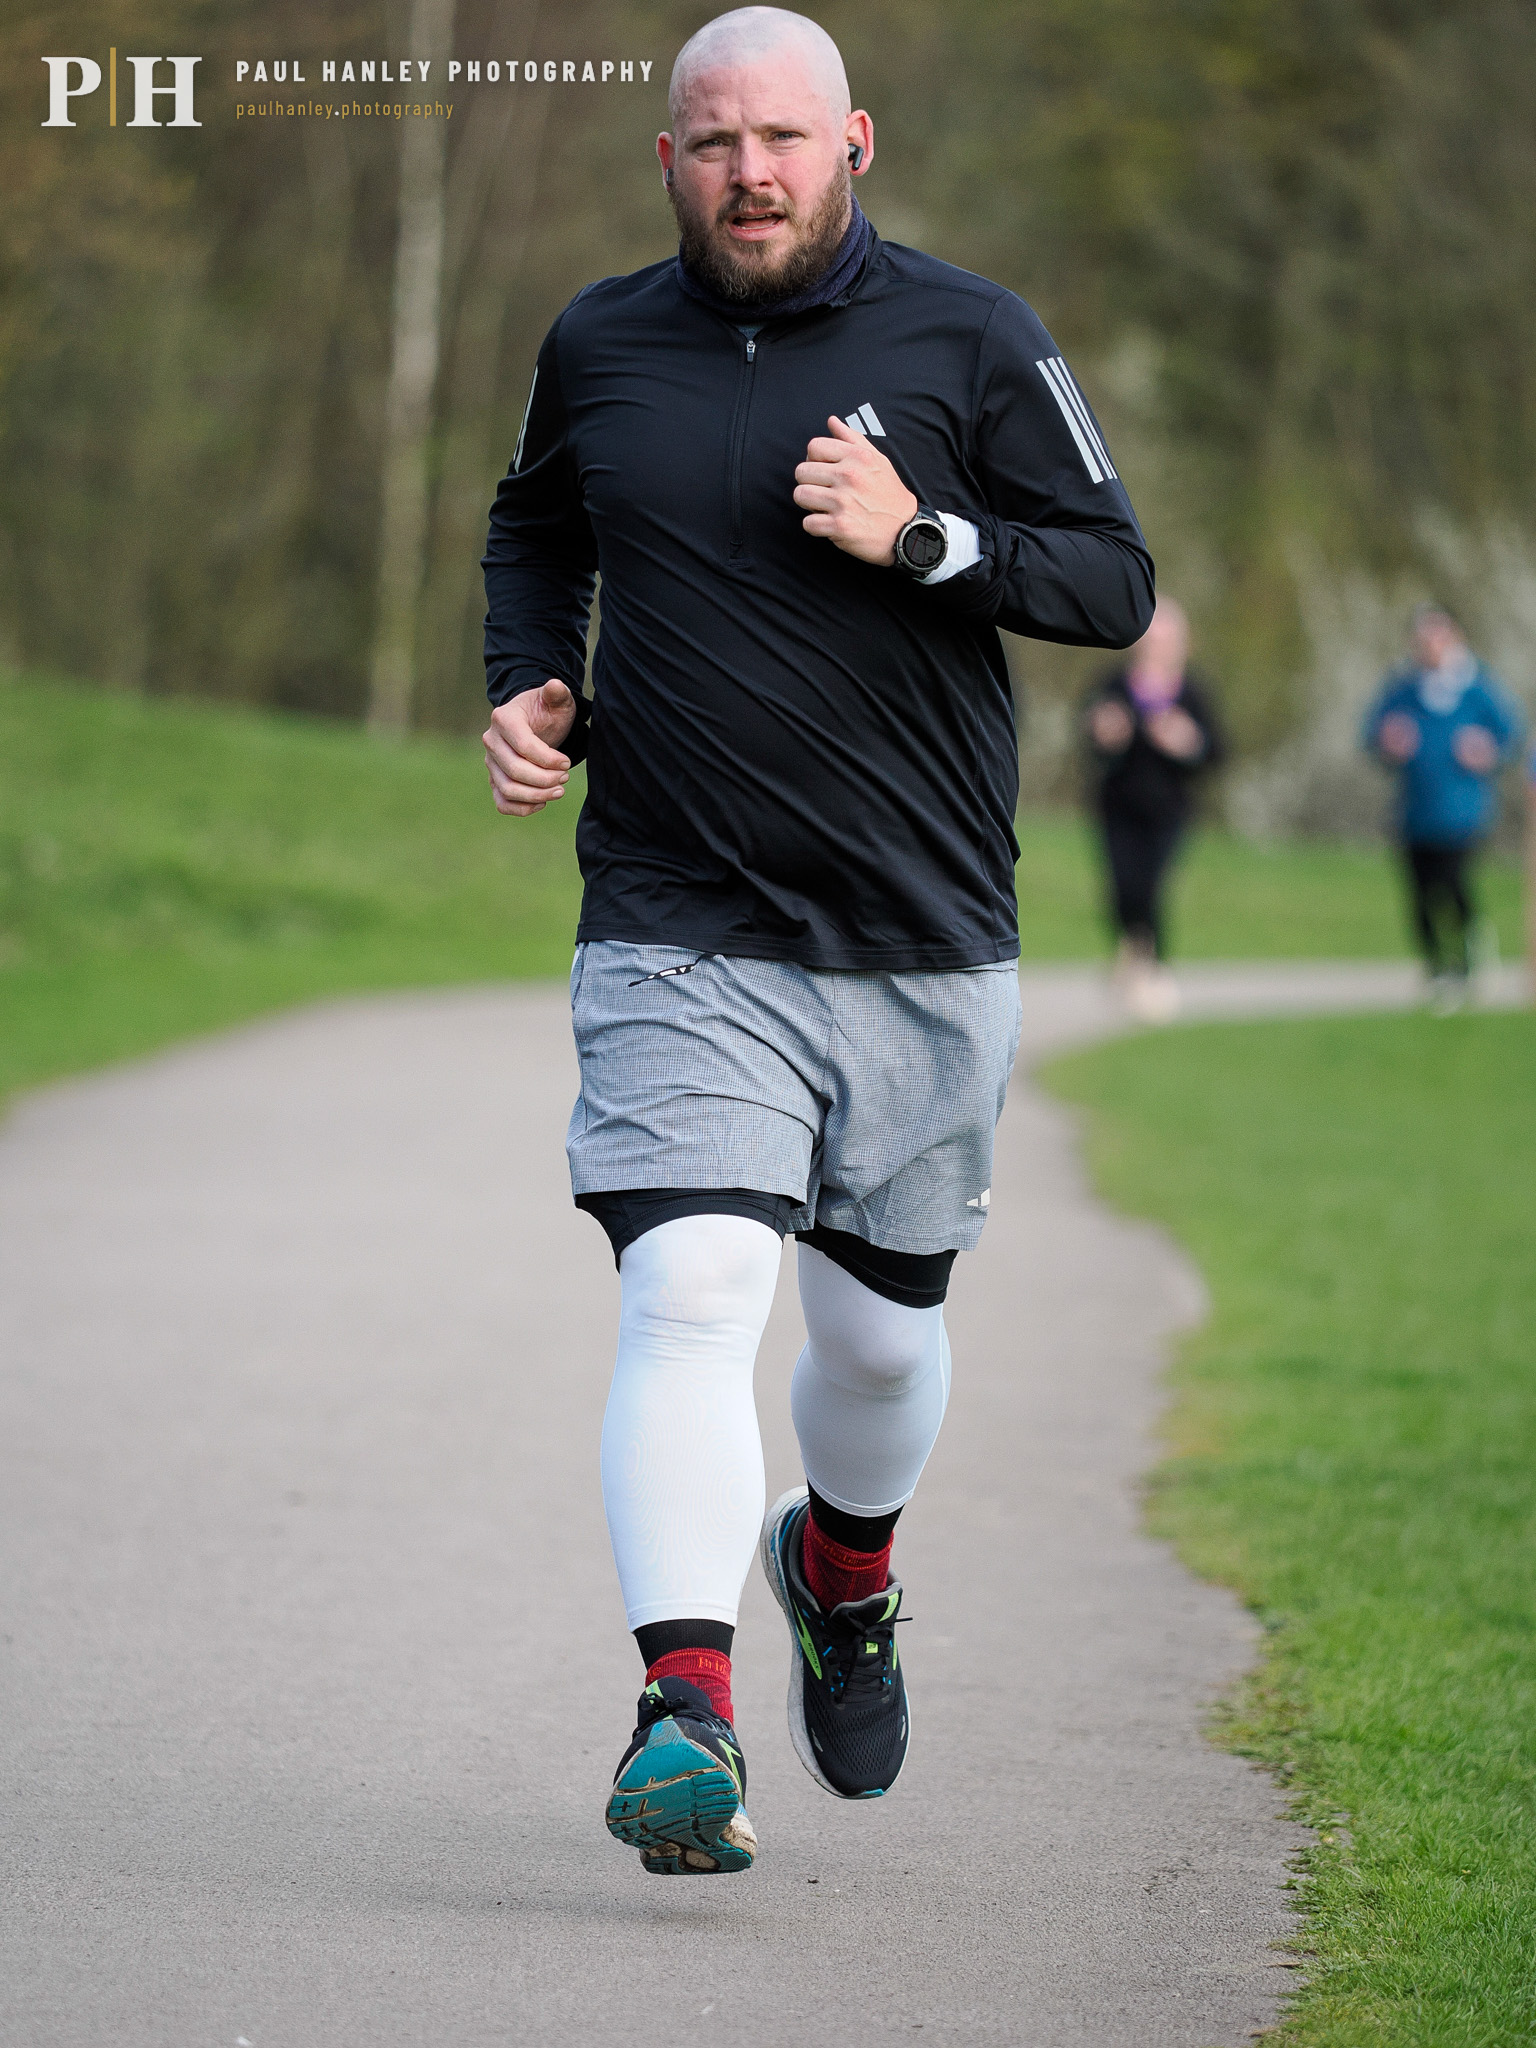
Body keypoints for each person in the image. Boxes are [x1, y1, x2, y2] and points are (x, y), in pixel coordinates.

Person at [480, 6, 1153, 1877]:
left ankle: (839, 1568)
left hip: (923, 936)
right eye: (713, 143)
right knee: (690, 1292)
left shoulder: (975, 334)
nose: (749, 173)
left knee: (870, 1347)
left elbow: (1111, 575)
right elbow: (533, 527)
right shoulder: (598, 338)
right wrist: (529, 683)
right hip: (680, 926)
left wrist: (926, 536)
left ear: (855, 140)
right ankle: (682, 1710)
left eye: (782, 138)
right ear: (669, 158)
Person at [1362, 605, 1522, 1009]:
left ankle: (1470, 956)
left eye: (1437, 637)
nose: (1429, 647)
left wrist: (1487, 750)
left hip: (1463, 810)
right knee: (1419, 892)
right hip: (1416, 811)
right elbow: (1371, 732)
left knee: (1454, 881)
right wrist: (1388, 742)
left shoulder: (1475, 688)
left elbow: (1510, 732)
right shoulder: (1404, 689)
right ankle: (1437, 967)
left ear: (1454, 639)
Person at [1082, 597, 1224, 1020]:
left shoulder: (1193, 693)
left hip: (1169, 811)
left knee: (1152, 886)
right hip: (1117, 807)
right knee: (1121, 887)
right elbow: (1089, 735)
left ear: (1183, 644)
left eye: (1167, 639)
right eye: (1151, 639)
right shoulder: (1114, 685)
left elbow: (1216, 752)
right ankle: (1132, 953)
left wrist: (1187, 743)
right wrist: (1104, 733)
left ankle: (1154, 969)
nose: (1158, 647)